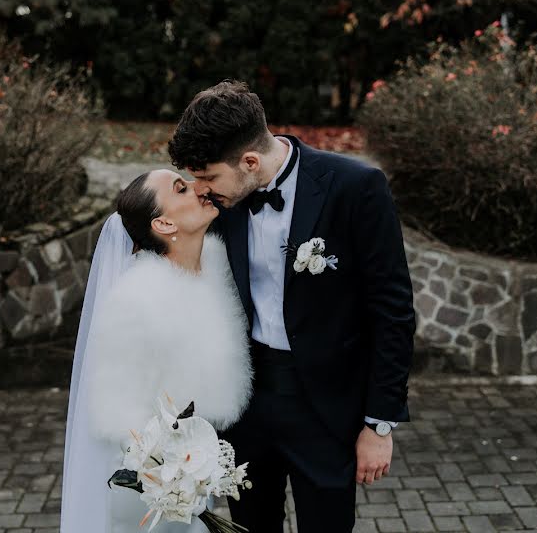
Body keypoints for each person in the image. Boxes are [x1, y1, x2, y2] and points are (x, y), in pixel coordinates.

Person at [168, 80, 416, 533]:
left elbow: (392, 310)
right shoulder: (221, 201)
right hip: (243, 405)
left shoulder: (356, 187)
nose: (202, 191)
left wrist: (378, 426)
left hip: (326, 409)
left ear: (250, 161)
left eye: (209, 179)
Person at [59, 170, 253, 533]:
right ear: (163, 223)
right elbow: (117, 412)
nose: (197, 188)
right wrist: (170, 476)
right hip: (149, 491)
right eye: (180, 189)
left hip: (195, 475)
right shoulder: (137, 301)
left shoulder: (218, 268)